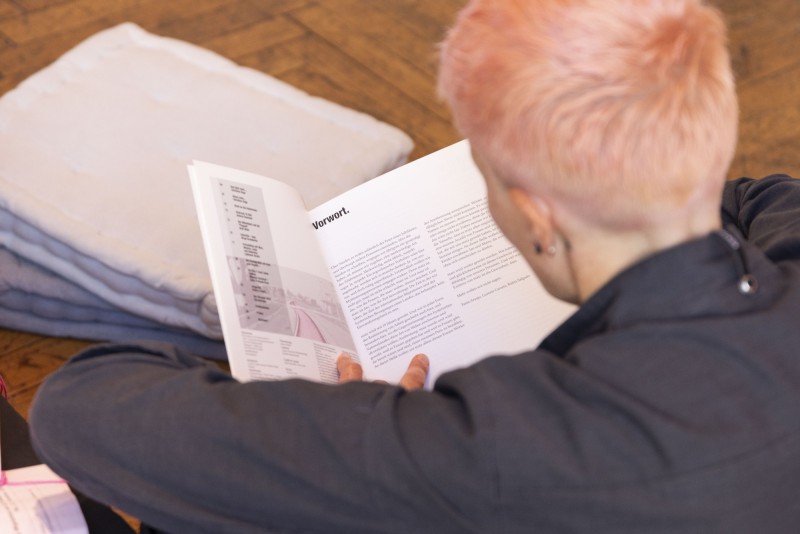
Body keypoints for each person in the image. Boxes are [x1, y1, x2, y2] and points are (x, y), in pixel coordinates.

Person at [29, 0, 800, 532]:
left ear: (537, 216)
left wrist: (345, 419)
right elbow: (762, 196)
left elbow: (79, 409)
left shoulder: (487, 447)